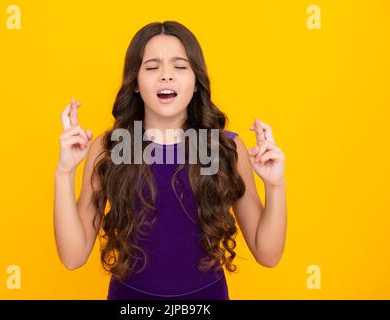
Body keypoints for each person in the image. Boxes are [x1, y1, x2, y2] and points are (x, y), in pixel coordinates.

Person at [53, 21, 287, 300]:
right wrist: (64, 173)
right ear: (136, 84)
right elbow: (72, 256)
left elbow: (268, 254)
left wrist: (275, 185)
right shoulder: (112, 148)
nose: (166, 76)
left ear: (196, 81)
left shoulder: (221, 148)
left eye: (180, 66)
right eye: (152, 67)